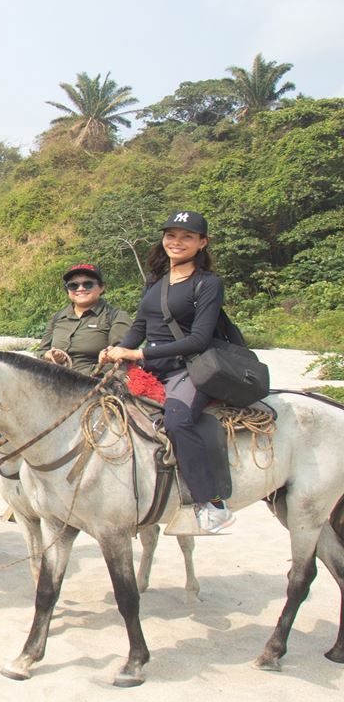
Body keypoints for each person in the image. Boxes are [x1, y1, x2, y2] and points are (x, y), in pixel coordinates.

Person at [101, 211, 233, 534]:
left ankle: (212, 502)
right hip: (152, 367)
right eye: (171, 235)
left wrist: (138, 353)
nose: (177, 242)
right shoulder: (155, 282)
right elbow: (140, 326)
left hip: (189, 368)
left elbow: (199, 339)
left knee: (177, 420)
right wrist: (118, 350)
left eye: (187, 236)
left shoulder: (208, 284)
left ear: (203, 243)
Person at [37, 263, 131, 376]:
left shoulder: (116, 316)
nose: (80, 289)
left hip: (94, 380)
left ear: (102, 287)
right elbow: (41, 352)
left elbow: (122, 357)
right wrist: (48, 356)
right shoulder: (57, 317)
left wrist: (99, 369)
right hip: (52, 379)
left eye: (88, 284)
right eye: (73, 285)